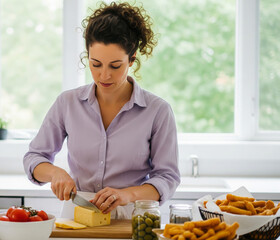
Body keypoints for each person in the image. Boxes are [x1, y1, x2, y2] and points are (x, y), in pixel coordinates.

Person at [23, 1, 180, 219]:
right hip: (76, 216)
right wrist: (55, 173)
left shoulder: (157, 111)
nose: (104, 75)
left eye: (115, 66)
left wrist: (127, 195)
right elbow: (34, 157)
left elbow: (167, 177)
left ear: (132, 59)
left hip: (132, 218)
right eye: (96, 64)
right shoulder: (68, 103)